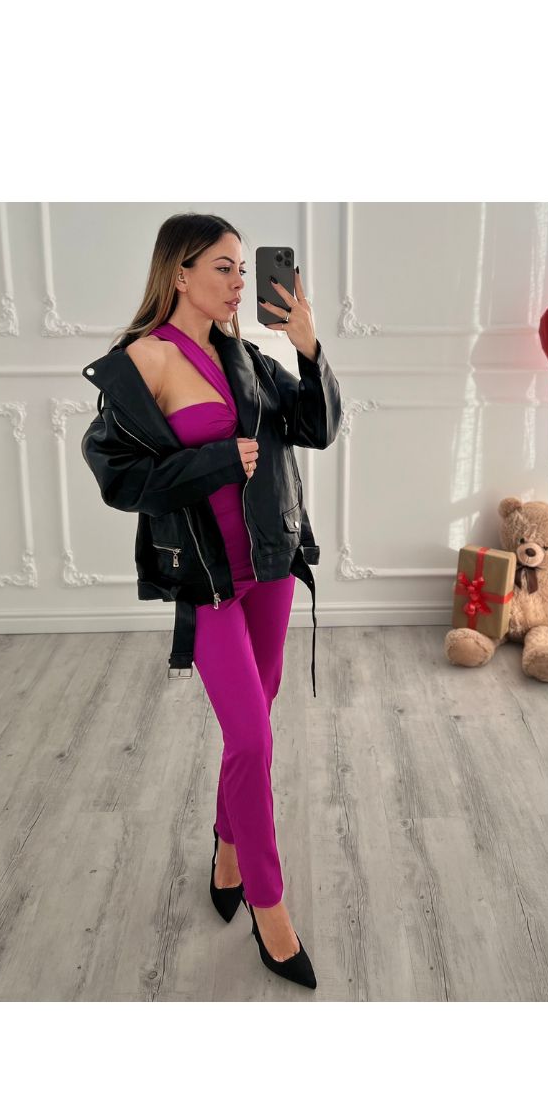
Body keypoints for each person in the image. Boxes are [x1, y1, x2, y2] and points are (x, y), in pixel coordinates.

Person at [80, 214, 342, 990]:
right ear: (181, 272)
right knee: (253, 740)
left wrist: (309, 348)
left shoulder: (248, 358)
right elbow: (119, 478)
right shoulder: (141, 362)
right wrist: (216, 462)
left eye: (242, 269)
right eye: (224, 268)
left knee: (253, 727)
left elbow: (317, 428)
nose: (239, 283)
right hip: (208, 579)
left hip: (271, 562)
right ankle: (269, 905)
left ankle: (227, 849)